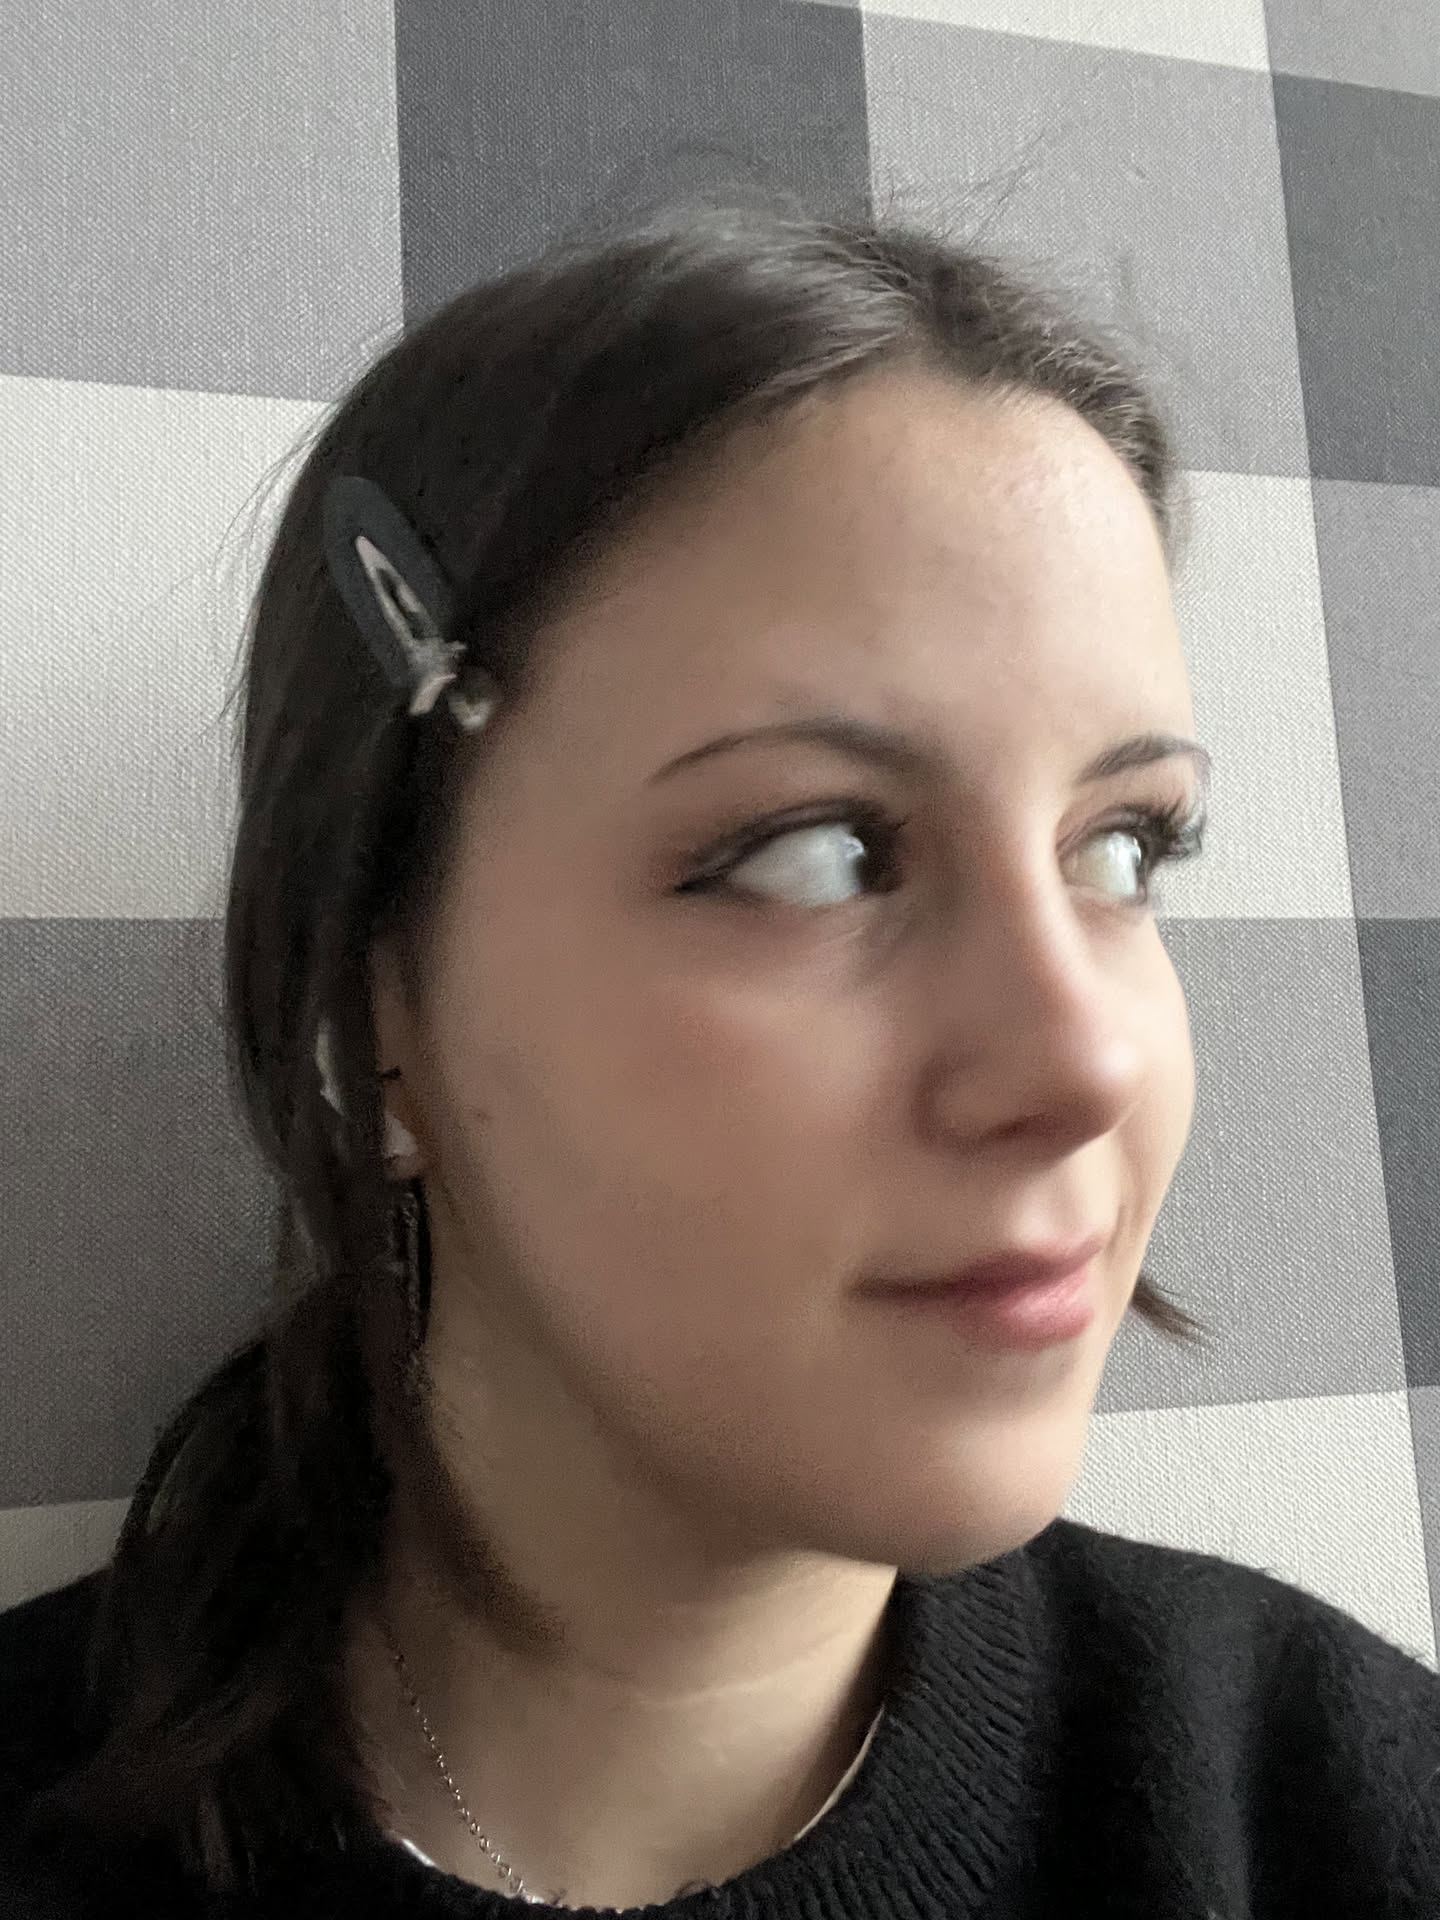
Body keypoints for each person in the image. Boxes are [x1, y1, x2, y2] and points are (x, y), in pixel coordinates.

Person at [2, 189, 1437, 1918]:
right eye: (814, 855)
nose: (1084, 1066)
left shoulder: (1333, 1808)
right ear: (370, 1013)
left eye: (1126, 848)